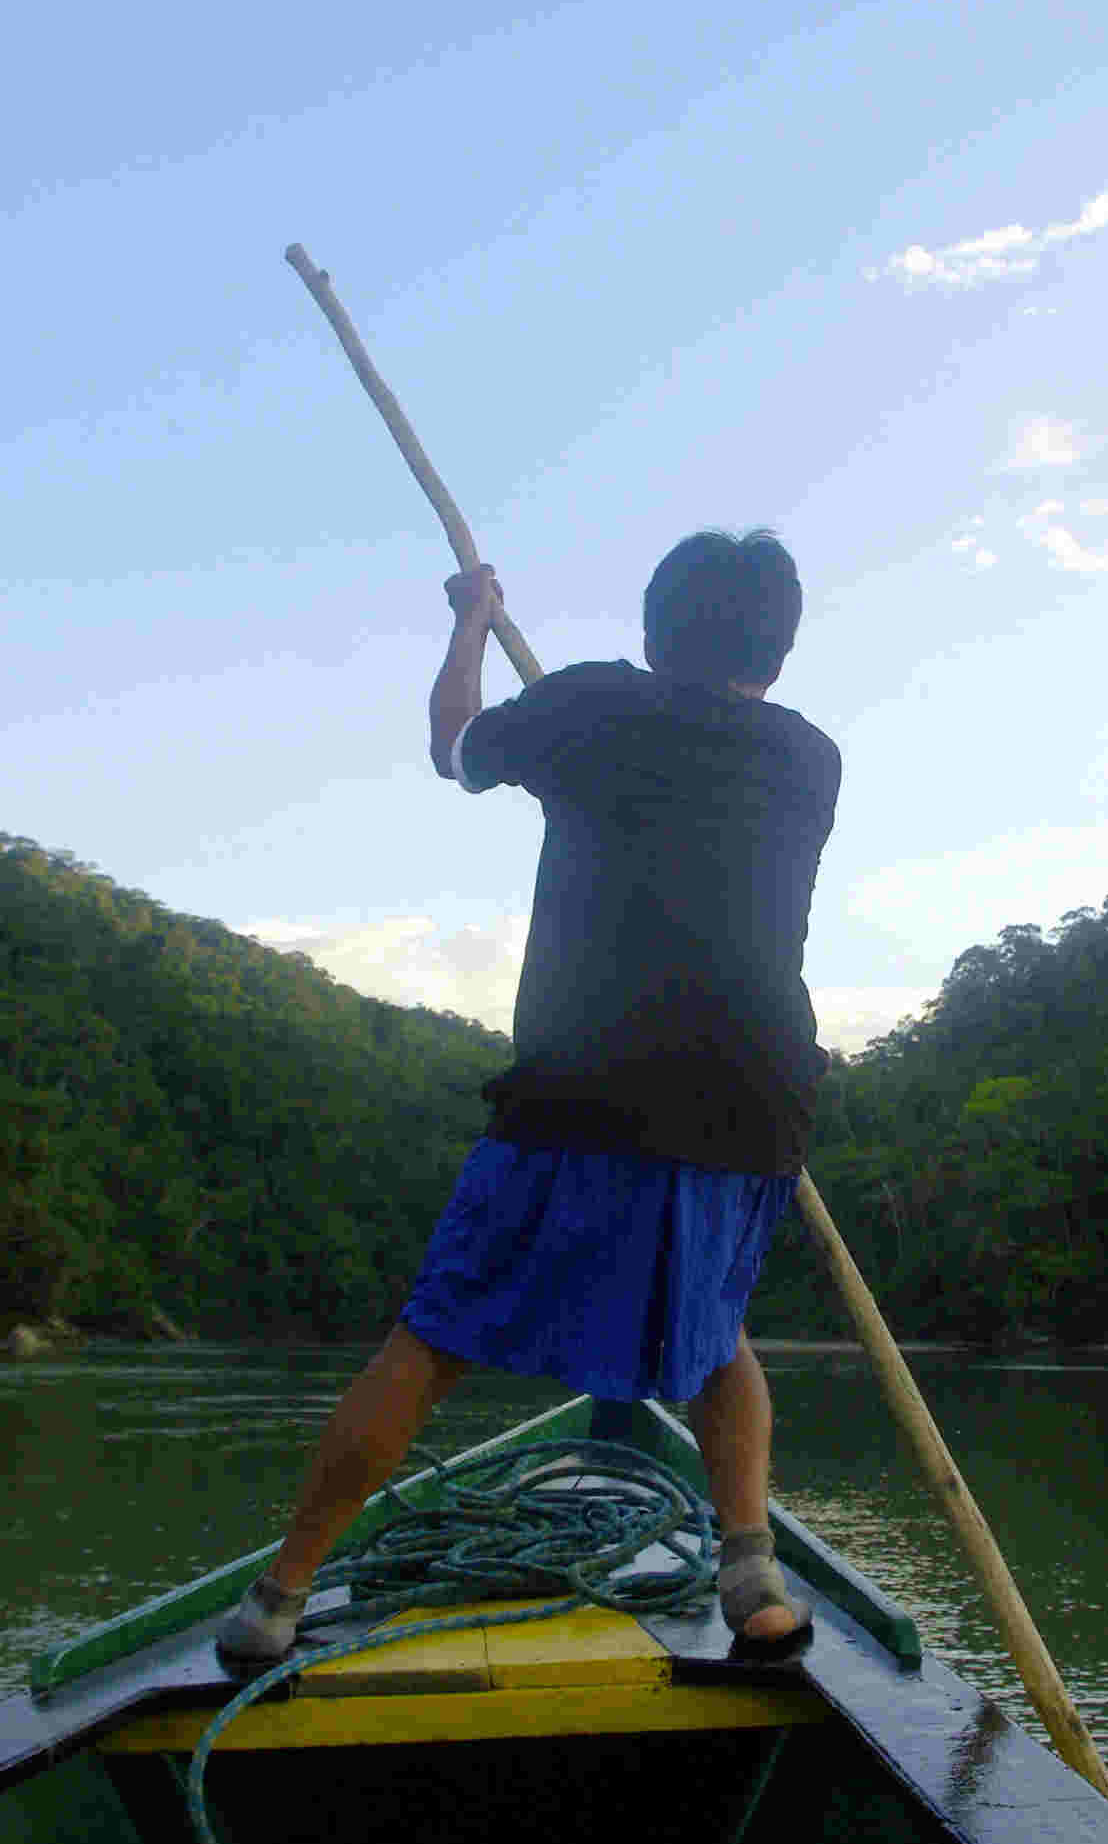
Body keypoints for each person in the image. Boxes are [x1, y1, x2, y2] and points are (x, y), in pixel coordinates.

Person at [218, 529, 841, 1667]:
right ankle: (750, 1570)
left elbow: (453, 744)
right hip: (756, 1092)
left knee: (433, 1337)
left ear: (654, 630)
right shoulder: (812, 757)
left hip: (587, 1085)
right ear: (781, 649)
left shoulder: (589, 702)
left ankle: (277, 1596)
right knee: (718, 1333)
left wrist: (471, 620)